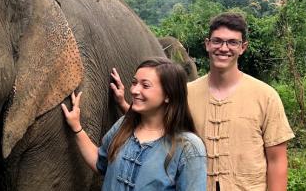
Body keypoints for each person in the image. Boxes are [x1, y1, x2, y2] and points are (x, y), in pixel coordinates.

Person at [112, 13, 294, 191]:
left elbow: (277, 161)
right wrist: (124, 104)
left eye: (232, 42)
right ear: (207, 44)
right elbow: (153, 126)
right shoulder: (185, 93)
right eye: (217, 41)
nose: (224, 48)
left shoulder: (265, 96)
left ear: (243, 47)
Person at [61, 57, 207, 190]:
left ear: (168, 95)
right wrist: (76, 127)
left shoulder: (188, 147)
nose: (134, 90)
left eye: (145, 85)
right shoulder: (124, 125)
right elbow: (100, 163)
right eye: (134, 82)